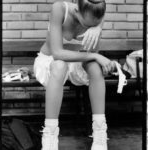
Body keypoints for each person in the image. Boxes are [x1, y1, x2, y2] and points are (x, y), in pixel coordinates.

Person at [33, 0, 115, 150]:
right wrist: (95, 56)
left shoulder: (96, 13)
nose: (88, 28)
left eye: (92, 25)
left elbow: (91, 52)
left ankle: (99, 134)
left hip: (75, 63)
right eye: (86, 24)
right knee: (60, 65)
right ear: (77, 11)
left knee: (95, 68)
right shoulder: (59, 9)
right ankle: (50, 137)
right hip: (50, 62)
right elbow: (57, 53)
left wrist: (98, 28)